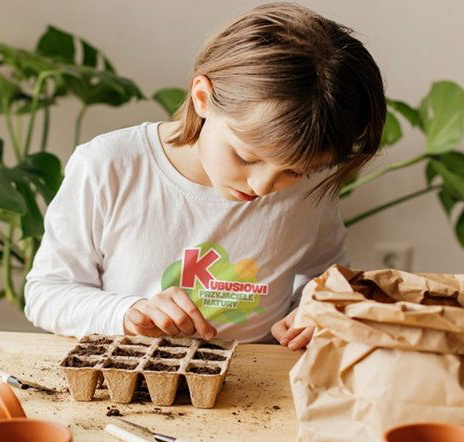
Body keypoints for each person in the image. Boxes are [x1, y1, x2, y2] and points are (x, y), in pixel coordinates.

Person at [24, 2, 385, 350]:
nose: (263, 186)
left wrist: (311, 308)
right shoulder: (109, 165)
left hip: (260, 384)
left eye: (293, 171)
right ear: (202, 98)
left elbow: (320, 276)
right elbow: (47, 293)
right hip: (134, 379)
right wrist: (126, 312)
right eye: (246, 157)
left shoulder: (309, 188)